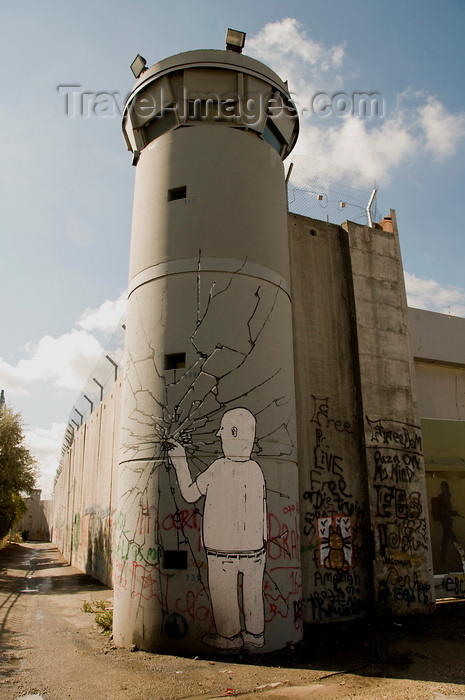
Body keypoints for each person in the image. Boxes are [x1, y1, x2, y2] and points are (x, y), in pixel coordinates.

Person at [168, 407, 267, 651]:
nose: (219, 437)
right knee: (253, 592)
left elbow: (191, 494)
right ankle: (255, 635)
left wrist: (180, 462)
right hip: (255, 549)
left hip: (222, 549)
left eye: (222, 433)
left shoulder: (218, 468)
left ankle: (229, 636)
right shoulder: (256, 470)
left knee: (224, 592)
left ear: (234, 433)